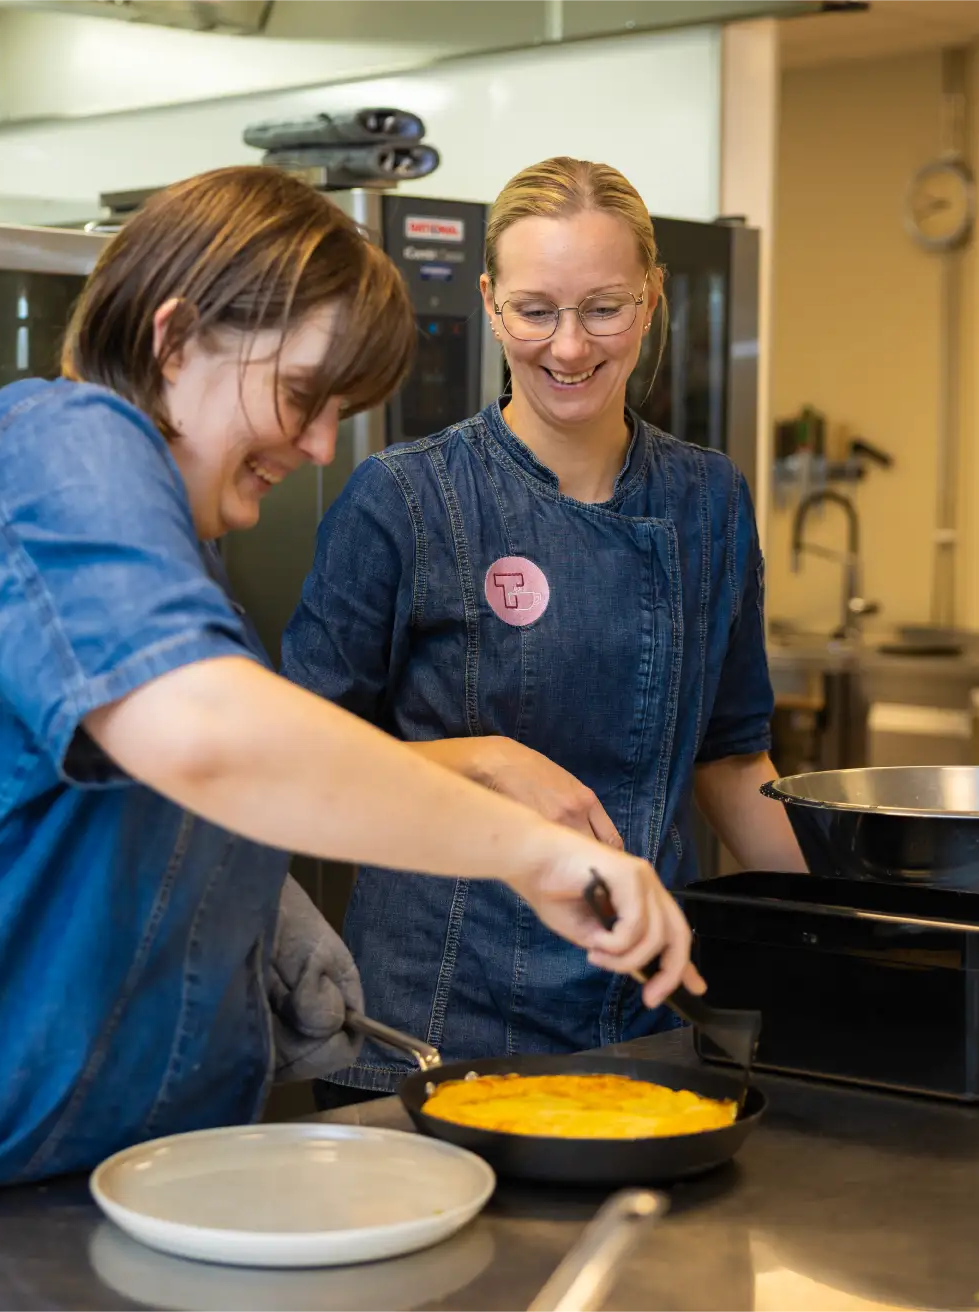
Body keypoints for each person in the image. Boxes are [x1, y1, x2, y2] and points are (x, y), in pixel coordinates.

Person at [0, 166, 697, 1254]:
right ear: (175, 336)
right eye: (301, 395)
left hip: (44, 1202)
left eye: (339, 411)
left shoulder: (175, 538)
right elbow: (204, 737)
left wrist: (257, 915)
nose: (321, 446)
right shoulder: (54, 448)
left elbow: (137, 791)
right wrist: (526, 853)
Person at [282, 157, 806, 1105]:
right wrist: (479, 758)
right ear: (488, 302)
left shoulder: (709, 499)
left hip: (645, 1017)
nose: (568, 347)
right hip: (431, 1032)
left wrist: (860, 937)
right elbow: (295, 761)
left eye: (603, 308)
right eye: (535, 310)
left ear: (651, 300)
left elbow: (732, 758)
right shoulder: (405, 498)